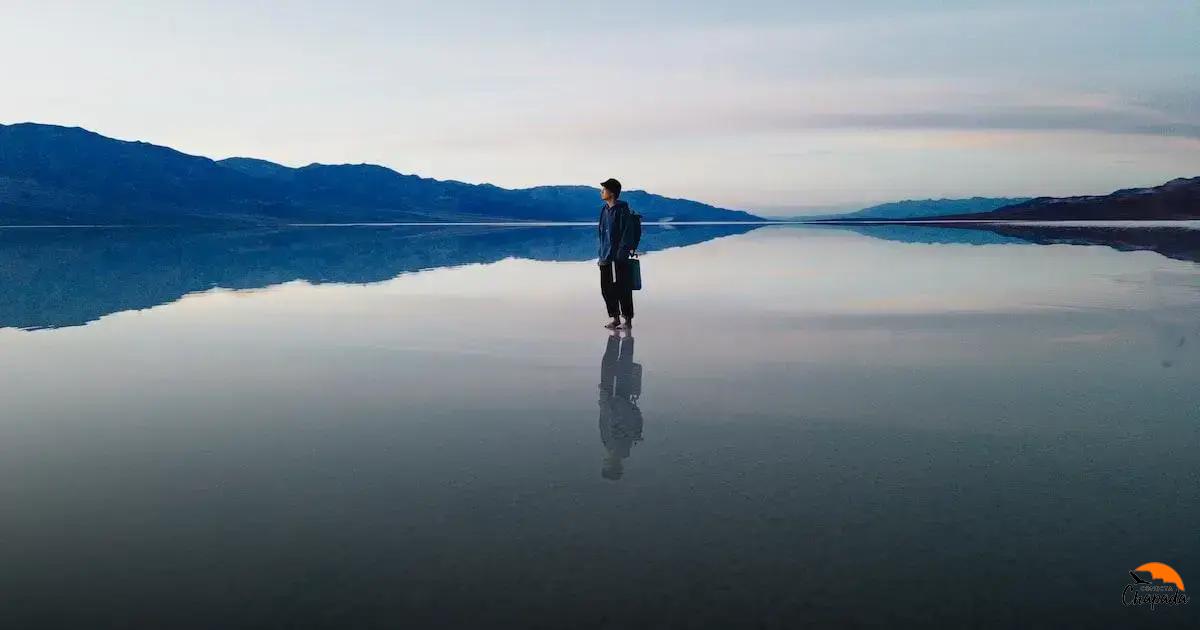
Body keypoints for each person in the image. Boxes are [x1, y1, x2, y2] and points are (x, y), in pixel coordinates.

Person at [598, 331, 644, 480]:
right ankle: (618, 335)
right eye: (606, 465)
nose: (604, 461)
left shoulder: (619, 446)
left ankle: (624, 336)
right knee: (613, 366)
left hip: (618, 400)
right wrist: (606, 401)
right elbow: (611, 420)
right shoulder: (616, 446)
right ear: (612, 465)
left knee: (621, 366)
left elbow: (635, 422)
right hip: (613, 399)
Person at [597, 177, 635, 330]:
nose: (601, 192)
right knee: (606, 288)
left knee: (623, 288)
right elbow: (601, 233)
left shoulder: (622, 210)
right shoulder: (604, 210)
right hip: (605, 255)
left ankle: (627, 320)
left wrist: (621, 253)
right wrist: (601, 254)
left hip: (619, 256)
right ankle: (615, 318)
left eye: (604, 189)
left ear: (612, 193)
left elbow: (627, 233)